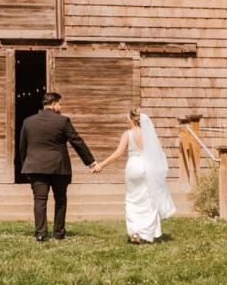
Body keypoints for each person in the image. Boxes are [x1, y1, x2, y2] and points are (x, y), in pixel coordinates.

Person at [19, 92, 97, 242]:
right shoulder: (63, 121)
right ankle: (59, 232)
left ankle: (41, 233)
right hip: (59, 168)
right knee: (60, 200)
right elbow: (77, 142)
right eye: (60, 104)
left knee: (39, 200)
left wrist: (26, 166)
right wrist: (91, 162)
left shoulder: (28, 122)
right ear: (54, 104)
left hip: (36, 166)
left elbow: (23, 147)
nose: (60, 107)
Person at [92, 109, 176, 243]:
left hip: (133, 167)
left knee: (132, 199)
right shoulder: (149, 134)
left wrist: (101, 165)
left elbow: (118, 153)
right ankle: (147, 233)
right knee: (148, 199)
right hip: (148, 167)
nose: (126, 121)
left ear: (133, 120)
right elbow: (156, 153)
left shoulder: (128, 134)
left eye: (127, 119)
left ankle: (135, 231)